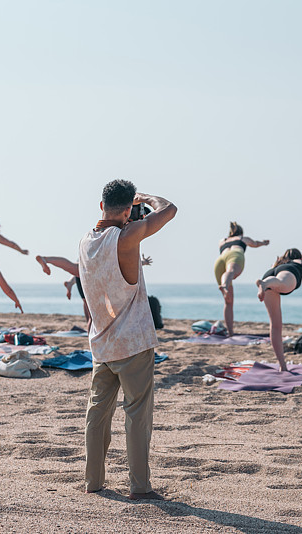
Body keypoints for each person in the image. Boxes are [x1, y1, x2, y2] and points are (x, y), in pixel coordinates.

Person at [78, 180, 176, 501]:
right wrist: (145, 197)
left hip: (101, 342)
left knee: (97, 414)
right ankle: (140, 487)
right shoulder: (127, 236)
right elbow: (169, 210)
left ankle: (93, 481)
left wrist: (128, 211)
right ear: (127, 211)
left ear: (101, 206)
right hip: (132, 342)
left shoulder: (85, 241)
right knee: (137, 416)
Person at [255, 249, 302, 372]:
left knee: (275, 325)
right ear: (299, 257)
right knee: (281, 283)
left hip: (269, 276)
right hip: (288, 273)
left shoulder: (278, 263)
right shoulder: (299, 262)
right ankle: (263, 284)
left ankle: (283, 366)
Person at [214, 222, 269, 336]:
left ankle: (230, 332)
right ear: (241, 232)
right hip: (235, 255)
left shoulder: (222, 241)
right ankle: (224, 286)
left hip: (219, 260)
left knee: (228, 302)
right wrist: (264, 243)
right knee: (231, 271)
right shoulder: (242, 238)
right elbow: (255, 243)